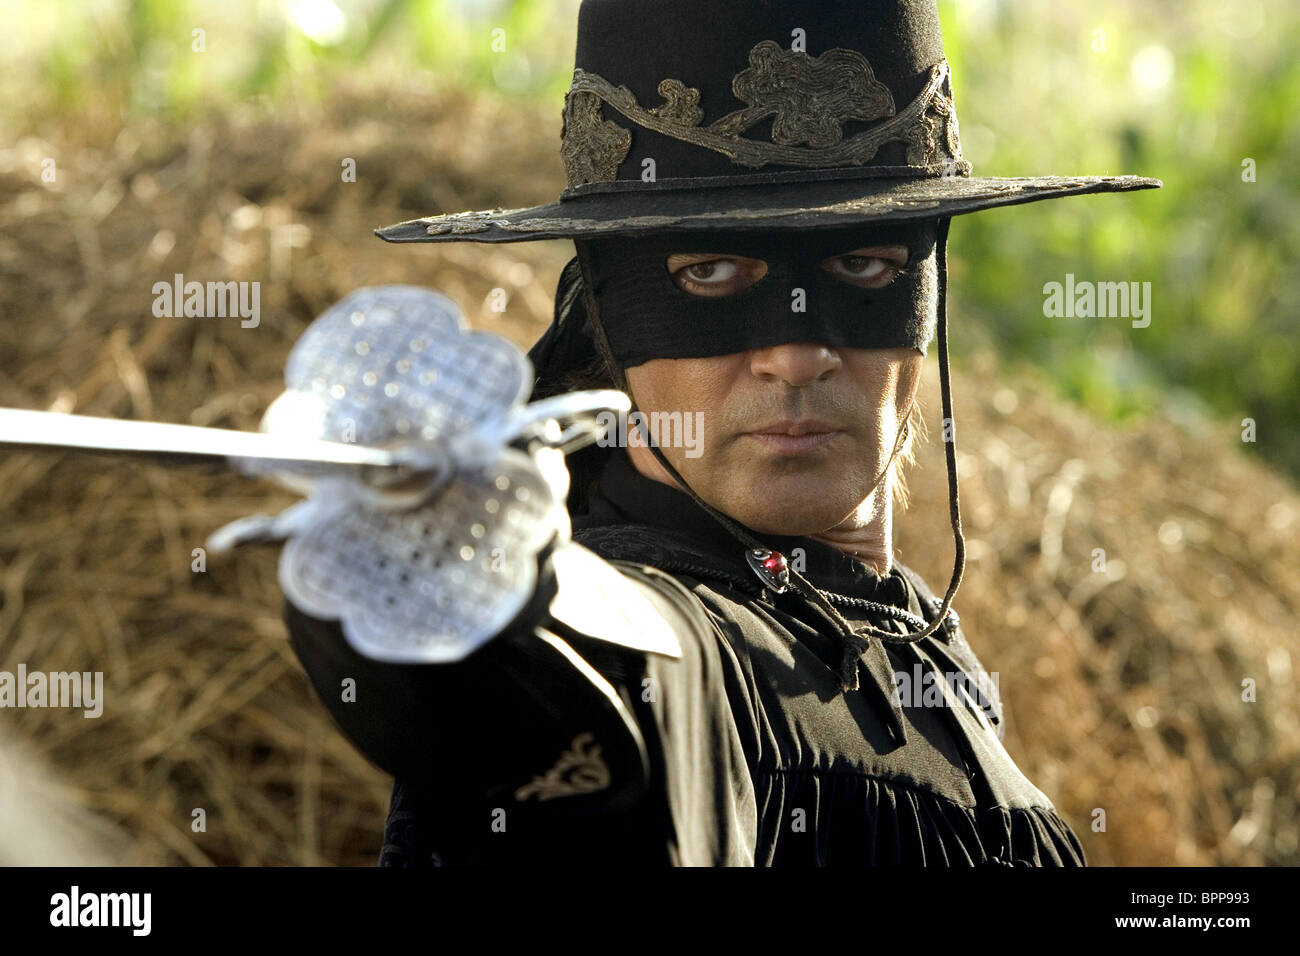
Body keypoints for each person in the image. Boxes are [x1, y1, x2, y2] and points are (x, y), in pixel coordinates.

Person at [286, 0, 1159, 865]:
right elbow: (580, 685)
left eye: (864, 265)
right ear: (609, 317)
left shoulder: (916, 641)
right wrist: (469, 582)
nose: (798, 354)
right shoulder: (655, 651)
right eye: (710, 272)